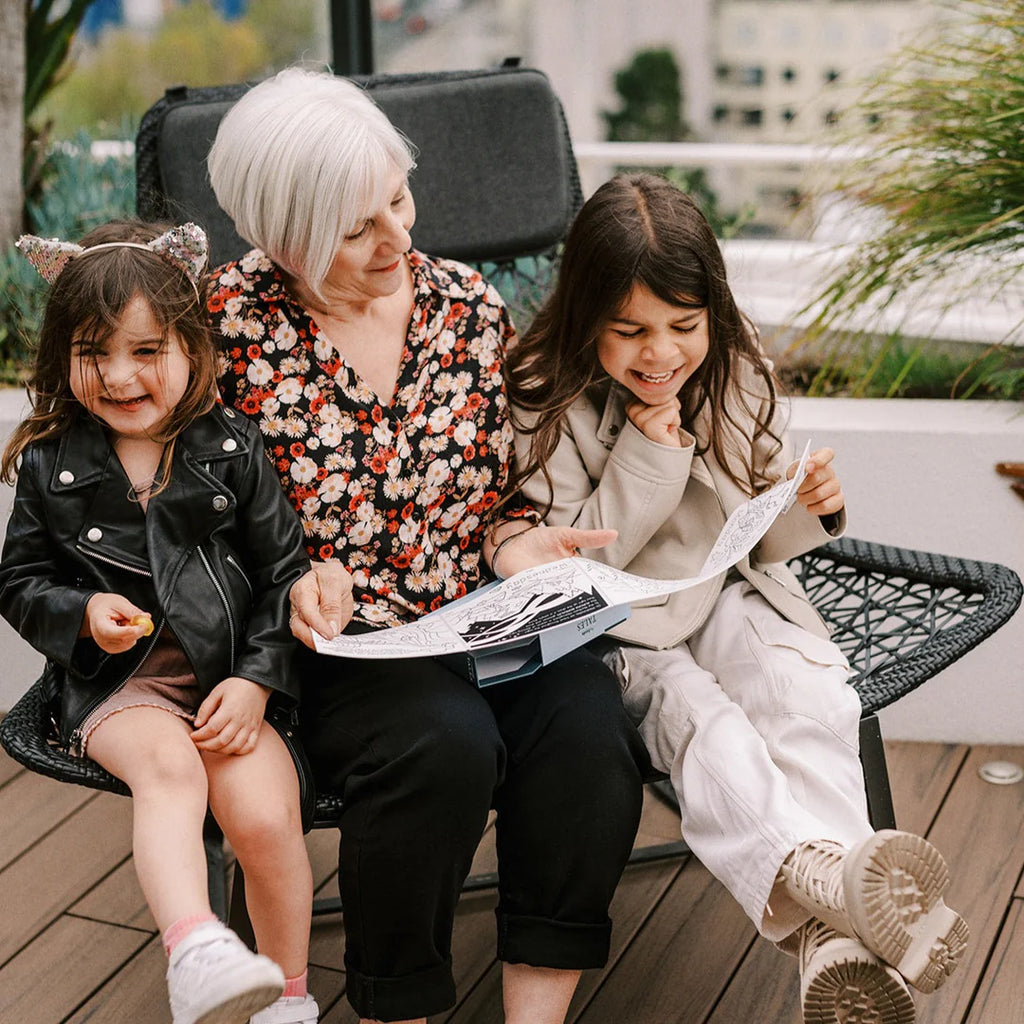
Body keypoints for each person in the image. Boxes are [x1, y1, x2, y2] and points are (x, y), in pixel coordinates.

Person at [205, 68, 651, 1024]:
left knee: (589, 731)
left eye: (398, 199)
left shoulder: (467, 307)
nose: (398, 238)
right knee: (440, 747)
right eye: (356, 227)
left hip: (478, 617)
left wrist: (519, 547)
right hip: (344, 648)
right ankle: (395, 1008)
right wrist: (282, 585)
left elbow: (495, 498)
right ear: (277, 234)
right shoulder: (216, 335)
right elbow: (177, 524)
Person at [504, 173, 969, 1024]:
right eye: (630, 331)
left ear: (711, 312)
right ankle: (828, 889)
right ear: (585, 320)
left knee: (806, 694)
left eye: (684, 327)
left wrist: (810, 505)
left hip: (727, 592)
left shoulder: (733, 363)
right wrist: (648, 455)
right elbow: (571, 563)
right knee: (703, 724)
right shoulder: (543, 395)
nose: (661, 353)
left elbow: (757, 522)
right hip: (621, 628)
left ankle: (832, 935)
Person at [0, 221, 319, 1024]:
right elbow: (19, 581)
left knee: (266, 817)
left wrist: (254, 679)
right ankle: (196, 950)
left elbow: (286, 576)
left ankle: (287, 998)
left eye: (145, 351)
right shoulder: (51, 460)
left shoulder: (233, 450)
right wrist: (78, 613)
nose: (117, 374)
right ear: (61, 355)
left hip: (226, 681)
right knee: (171, 773)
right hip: (121, 686)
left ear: (191, 348)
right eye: (92, 351)